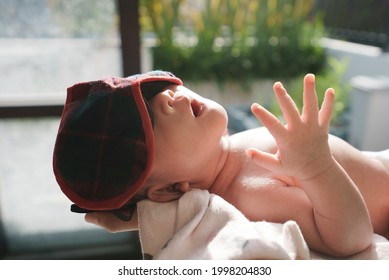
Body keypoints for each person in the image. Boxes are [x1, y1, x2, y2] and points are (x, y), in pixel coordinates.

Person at [53, 70, 389, 257]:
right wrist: (318, 167)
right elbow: (352, 239)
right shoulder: (252, 192)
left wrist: (129, 215)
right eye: (150, 123)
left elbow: (164, 205)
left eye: (157, 91)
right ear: (171, 188)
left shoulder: (233, 152)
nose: (171, 98)